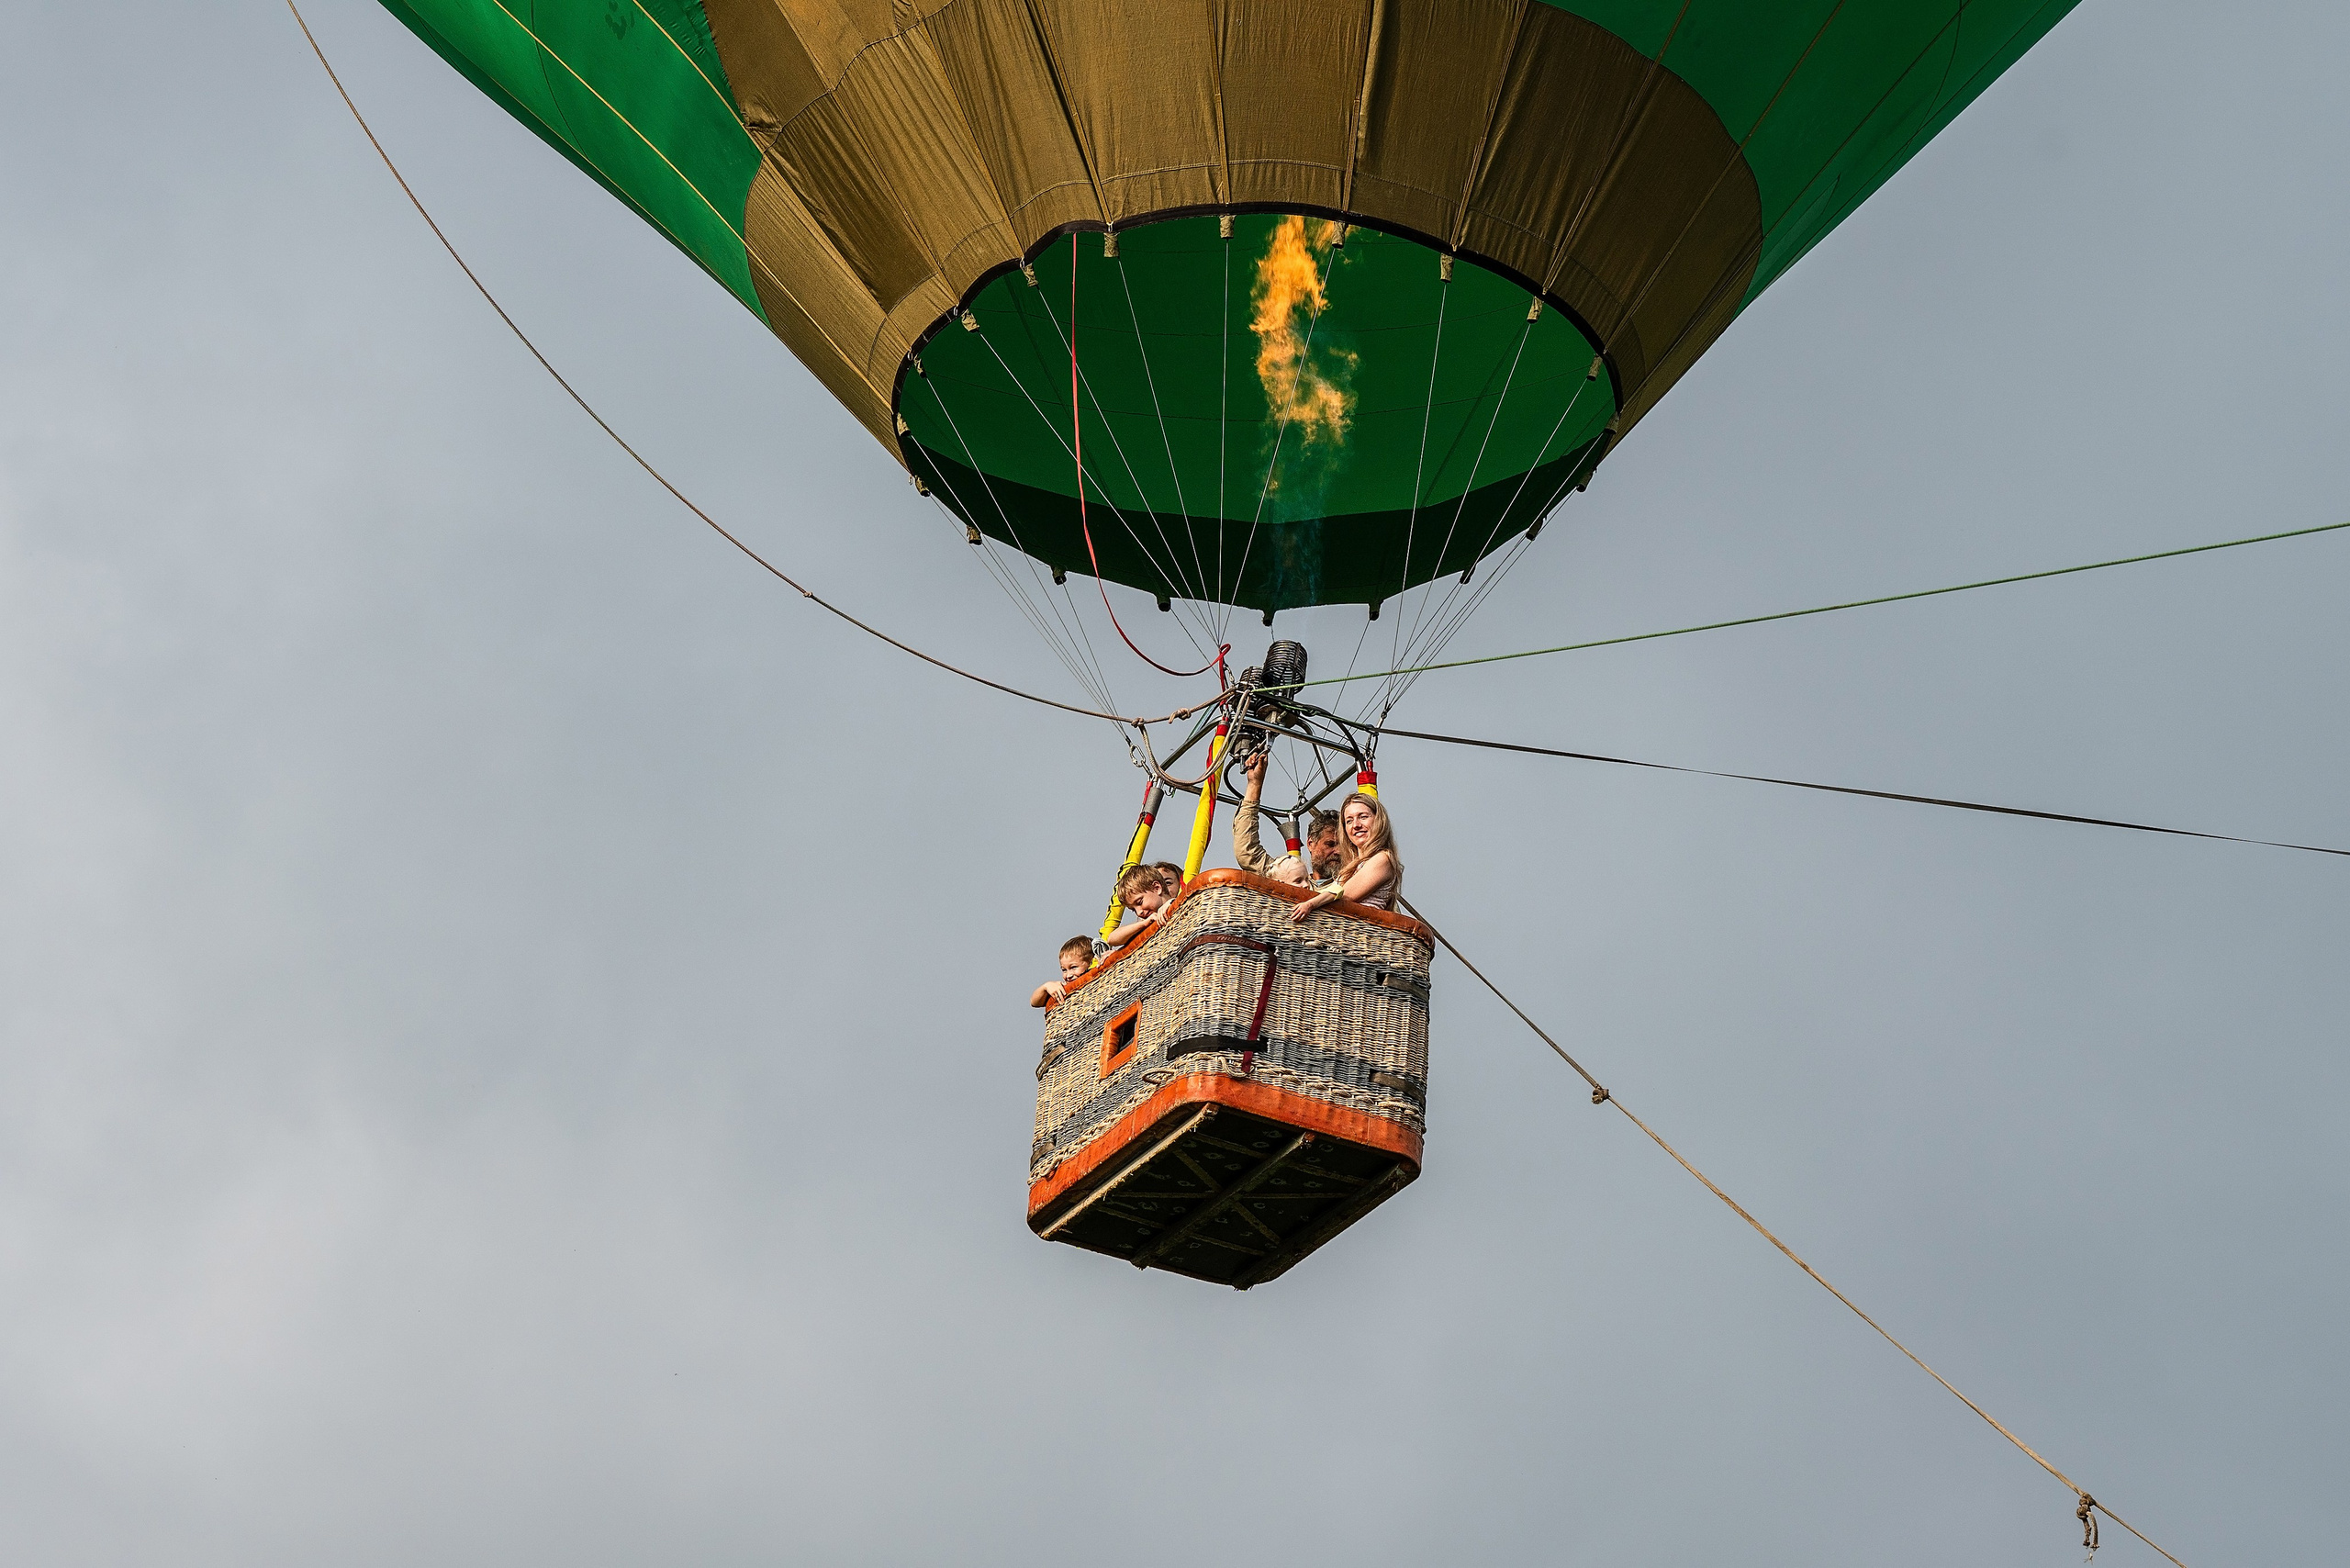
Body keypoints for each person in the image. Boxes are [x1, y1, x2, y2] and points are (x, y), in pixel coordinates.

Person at [1288, 790, 1402, 921]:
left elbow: (1342, 894)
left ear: (1379, 820)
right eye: (1349, 821)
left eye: (1363, 817)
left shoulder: (1383, 859)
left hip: (1360, 934)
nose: (1356, 825)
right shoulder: (1352, 865)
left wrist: (1309, 904)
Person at [1235, 754, 1342, 886]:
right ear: (1310, 844)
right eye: (1330, 844)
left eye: (1343, 846)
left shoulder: (1354, 884)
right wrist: (1254, 784)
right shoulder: (1291, 880)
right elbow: (1248, 853)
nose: (1338, 851)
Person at [1102, 862, 1179, 947]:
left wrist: (1170, 903)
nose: (1138, 913)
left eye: (1139, 902)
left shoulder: (1181, 905)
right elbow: (1111, 939)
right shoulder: (1148, 922)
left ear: (1157, 888)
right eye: (1133, 910)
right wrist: (1144, 924)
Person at [1029, 935, 1095, 1008]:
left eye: (1073, 967)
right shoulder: (1062, 990)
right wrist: (1046, 986)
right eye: (1064, 970)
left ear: (1091, 963)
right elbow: (1034, 1002)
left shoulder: (1099, 981)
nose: (1068, 975)